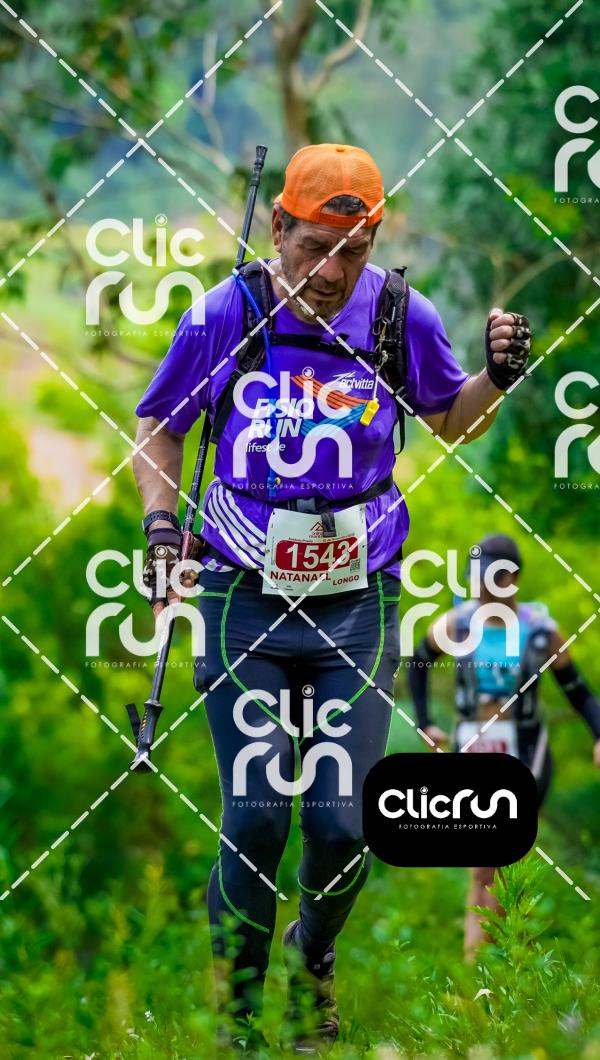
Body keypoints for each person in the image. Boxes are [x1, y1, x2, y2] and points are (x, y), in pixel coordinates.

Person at [133, 142, 532, 1052]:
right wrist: (160, 529)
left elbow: (450, 418)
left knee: (345, 823)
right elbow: (160, 423)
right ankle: (238, 1024)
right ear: (278, 226)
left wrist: (497, 380)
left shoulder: (398, 316)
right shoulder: (226, 314)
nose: (331, 271)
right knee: (256, 814)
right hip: (242, 593)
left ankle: (310, 960)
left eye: (353, 251)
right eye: (315, 247)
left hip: (358, 601)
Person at [407, 533, 600, 959]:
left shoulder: (541, 631)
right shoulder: (456, 625)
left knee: (507, 862)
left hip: (526, 753)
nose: (480, 587)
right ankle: (484, 970)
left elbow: (579, 692)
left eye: (489, 577)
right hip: (473, 749)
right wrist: (425, 722)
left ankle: (503, 966)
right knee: (482, 867)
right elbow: (417, 665)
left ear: (512, 578)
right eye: (474, 577)